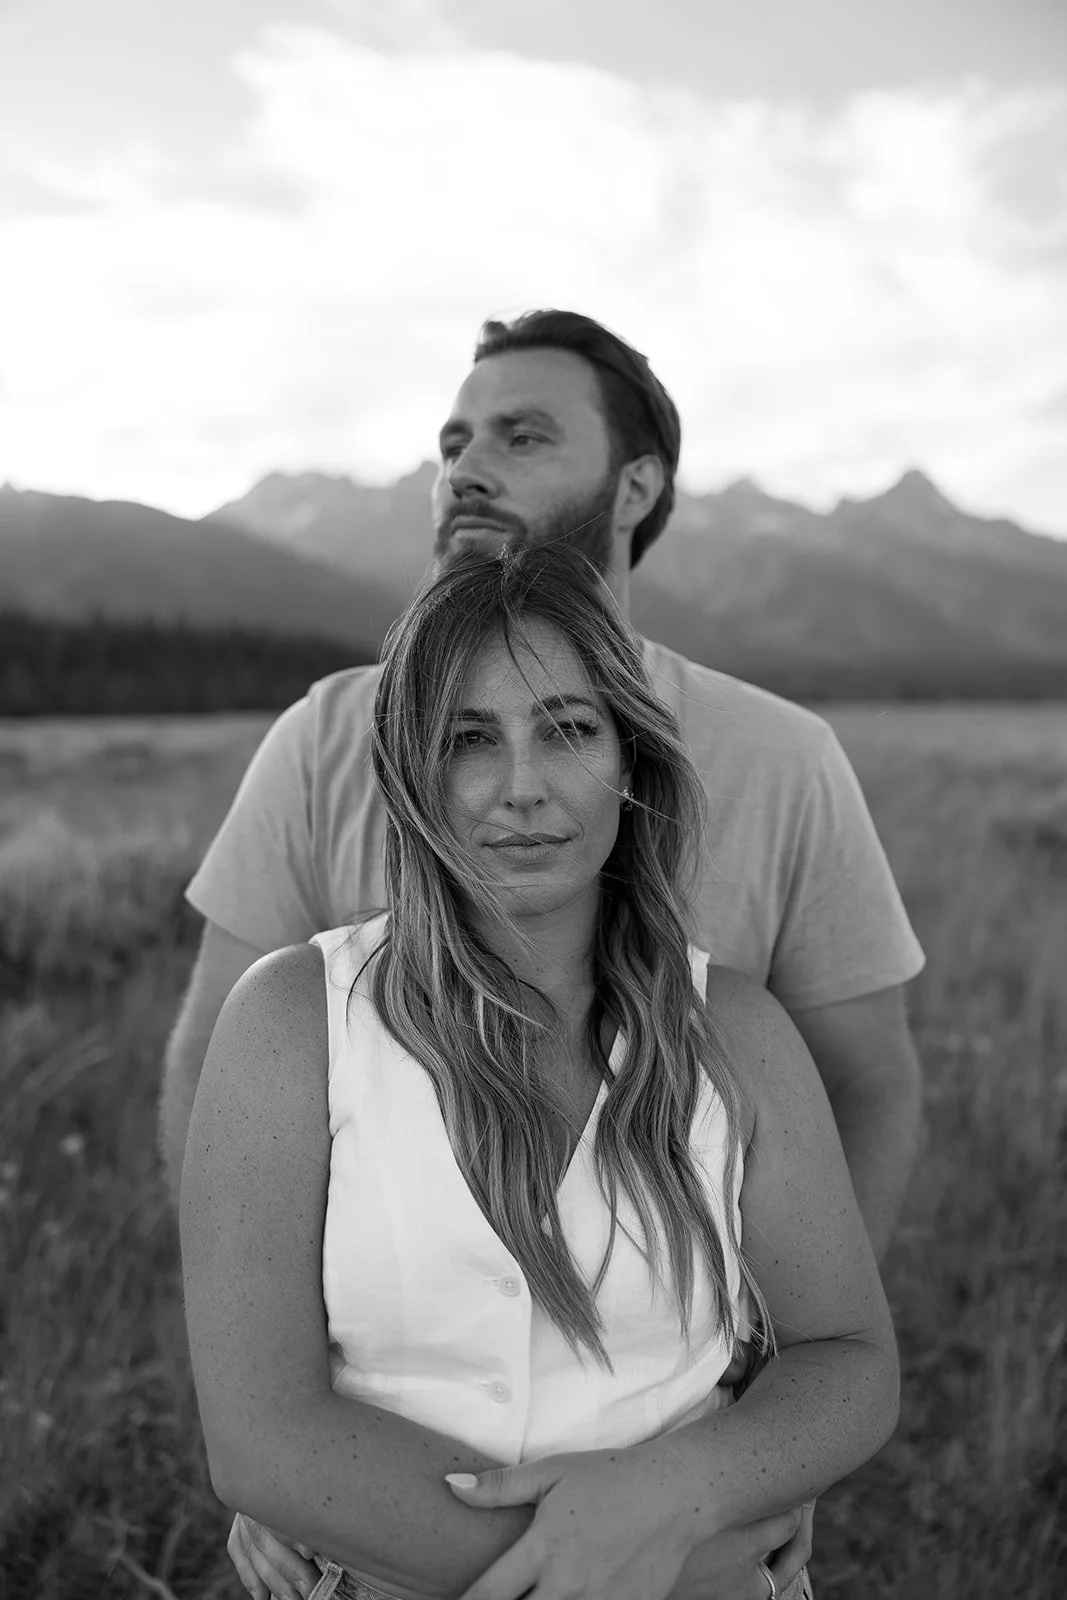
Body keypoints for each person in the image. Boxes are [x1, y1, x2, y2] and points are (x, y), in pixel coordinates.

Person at [161, 308, 925, 1597]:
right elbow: (219, 1085)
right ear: (409, 766)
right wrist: (278, 1431)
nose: (468, 467)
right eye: (453, 439)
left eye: (521, 435)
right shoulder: (318, 761)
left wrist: (748, 1453)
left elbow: (865, 1099)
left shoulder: (781, 777)